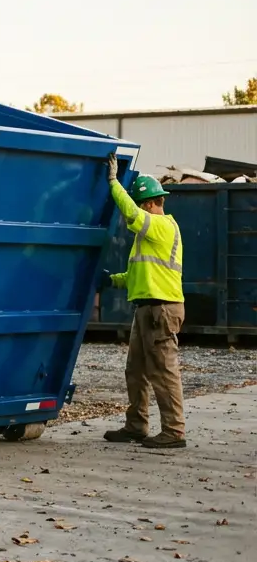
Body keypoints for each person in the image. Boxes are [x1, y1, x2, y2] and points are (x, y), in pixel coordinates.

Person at [102, 152, 186, 449]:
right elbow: (137, 275)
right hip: (148, 309)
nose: (137, 212)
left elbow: (131, 215)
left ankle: (174, 432)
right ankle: (136, 425)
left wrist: (113, 182)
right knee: (135, 371)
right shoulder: (150, 238)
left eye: (141, 205)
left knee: (163, 373)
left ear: (150, 204)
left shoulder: (161, 227)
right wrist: (112, 279)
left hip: (160, 310)